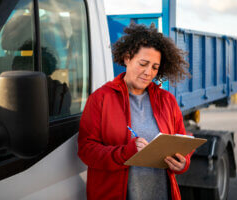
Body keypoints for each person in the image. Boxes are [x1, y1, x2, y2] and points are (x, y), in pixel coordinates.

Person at [78, 23, 192, 200]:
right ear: (127, 58)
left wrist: (182, 163)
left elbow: (182, 144)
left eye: (155, 67)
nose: (148, 72)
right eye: (143, 64)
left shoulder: (167, 100)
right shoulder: (101, 98)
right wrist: (124, 153)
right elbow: (86, 150)